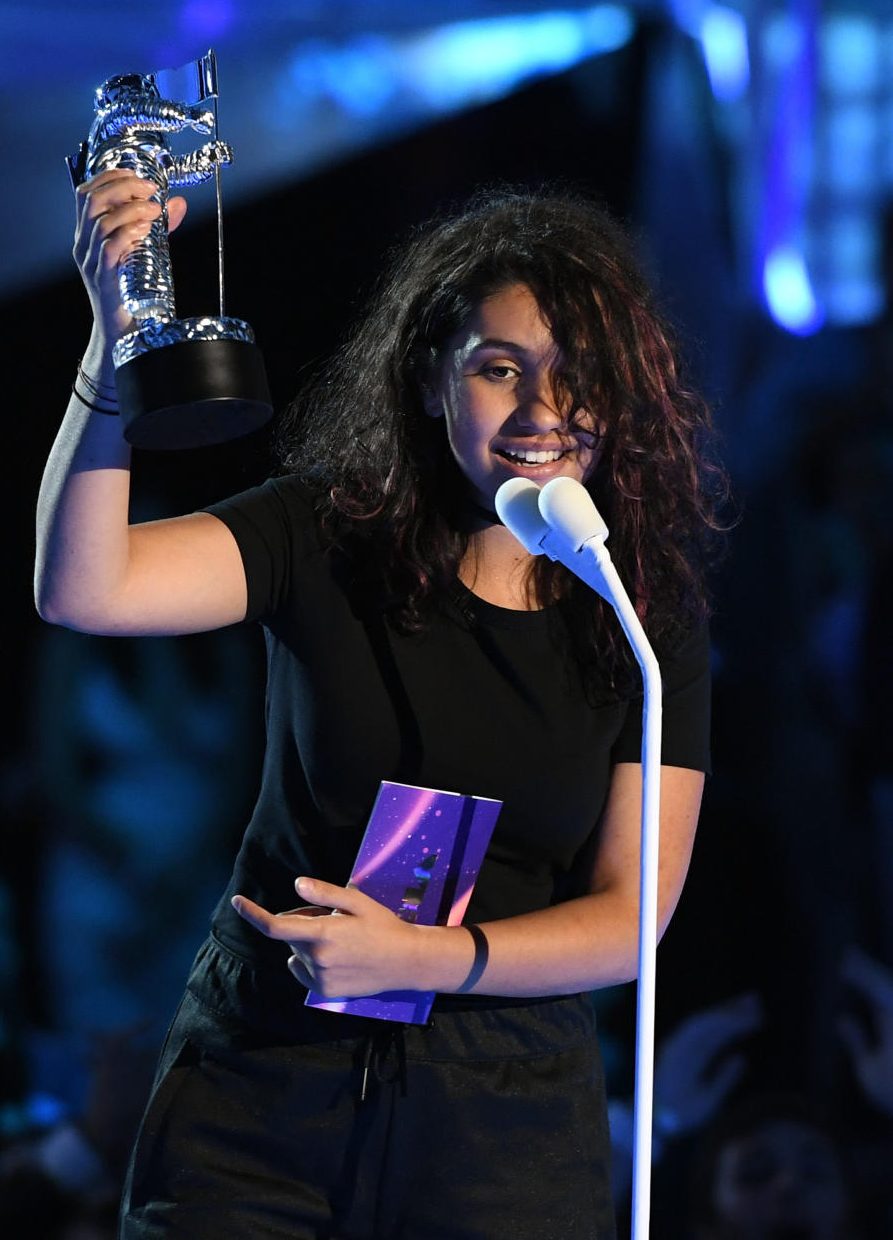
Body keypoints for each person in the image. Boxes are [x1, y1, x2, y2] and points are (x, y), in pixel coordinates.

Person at [35, 172, 725, 1239]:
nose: (544, 412)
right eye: (501, 369)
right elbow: (89, 587)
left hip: (501, 1115)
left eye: (579, 377)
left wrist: (425, 960)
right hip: (267, 1078)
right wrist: (113, 351)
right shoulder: (323, 534)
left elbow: (633, 916)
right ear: (431, 381)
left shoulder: (639, 616)